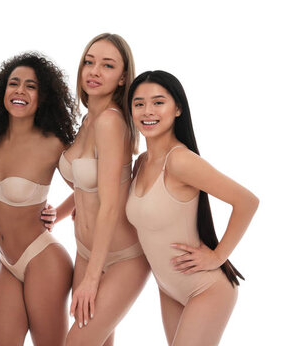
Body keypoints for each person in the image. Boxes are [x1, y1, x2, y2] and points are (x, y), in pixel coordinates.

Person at [126, 70, 258, 346]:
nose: (147, 111)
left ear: (178, 109)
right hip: (168, 288)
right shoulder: (141, 162)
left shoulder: (180, 161)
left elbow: (247, 201)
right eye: (139, 103)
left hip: (205, 289)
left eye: (158, 102)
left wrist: (217, 256)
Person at [54, 33, 150, 345]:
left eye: (107, 66)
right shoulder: (87, 120)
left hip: (121, 257)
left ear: (123, 78)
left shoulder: (111, 122)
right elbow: (88, 185)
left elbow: (110, 205)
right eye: (89, 62)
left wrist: (92, 279)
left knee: (76, 342)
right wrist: (57, 213)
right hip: (86, 250)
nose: (94, 71)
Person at [0, 53, 76, 345]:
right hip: (7, 262)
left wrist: (58, 213)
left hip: (43, 260)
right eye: (14, 83)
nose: (20, 90)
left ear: (43, 96)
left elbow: (90, 187)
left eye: (31, 86)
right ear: (2, 90)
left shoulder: (53, 144)